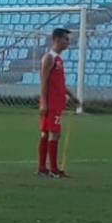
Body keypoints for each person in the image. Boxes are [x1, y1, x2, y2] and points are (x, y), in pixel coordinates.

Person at [38, 27, 81, 178]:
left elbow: (59, 83)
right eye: (66, 39)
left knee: (46, 133)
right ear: (56, 39)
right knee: (54, 134)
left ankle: (43, 168)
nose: (68, 43)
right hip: (51, 103)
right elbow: (43, 83)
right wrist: (44, 102)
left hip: (56, 101)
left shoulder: (58, 59)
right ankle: (54, 170)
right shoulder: (49, 58)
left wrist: (71, 96)